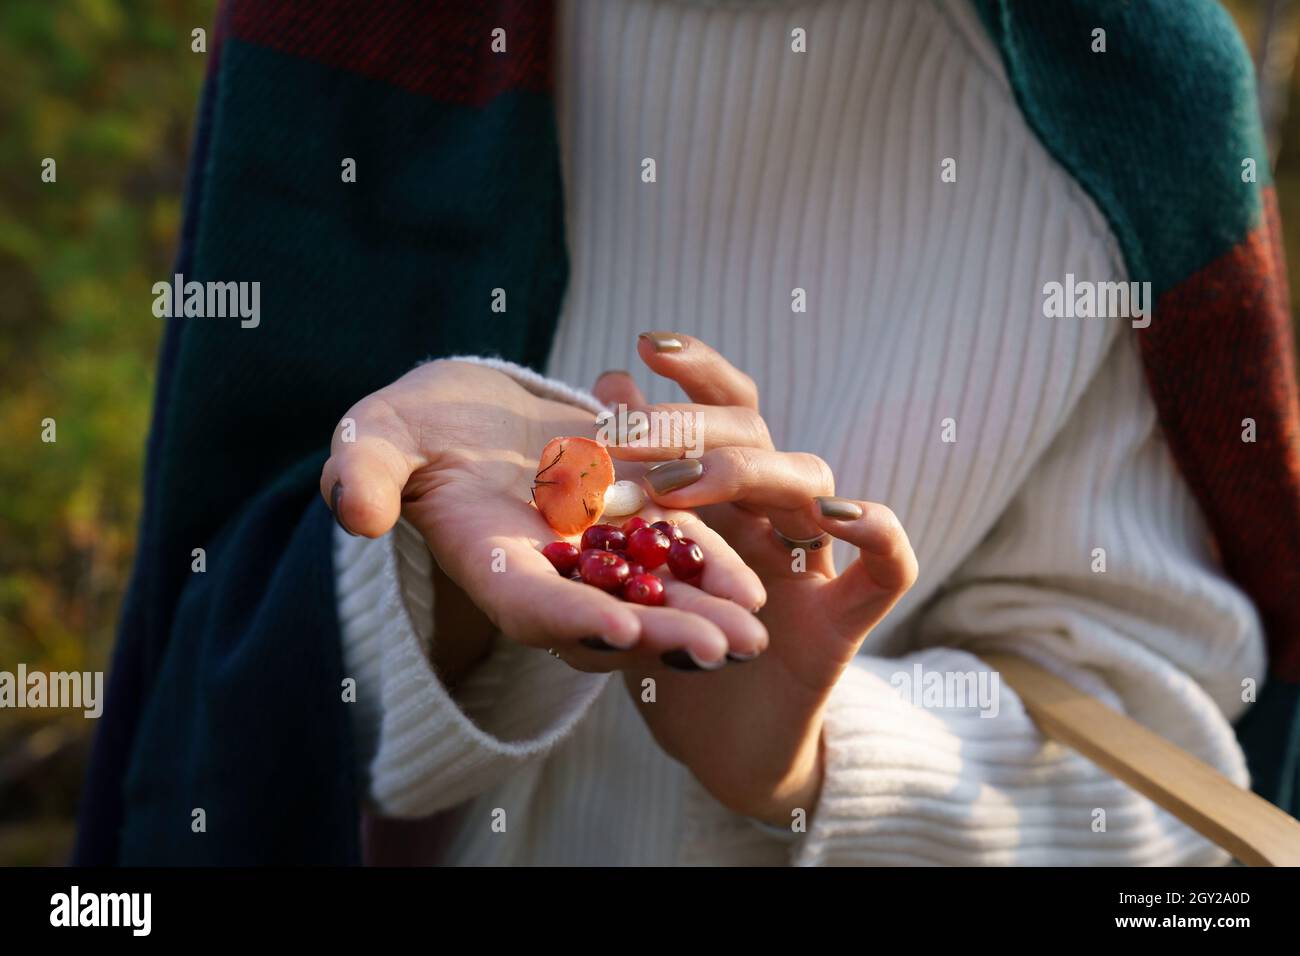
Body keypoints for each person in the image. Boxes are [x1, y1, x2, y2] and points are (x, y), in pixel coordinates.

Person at [78, 0, 1300, 865]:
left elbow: (1179, 808)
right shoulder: (353, 31)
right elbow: (205, 649)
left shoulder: (1118, 99)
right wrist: (434, 596)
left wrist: (812, 764)